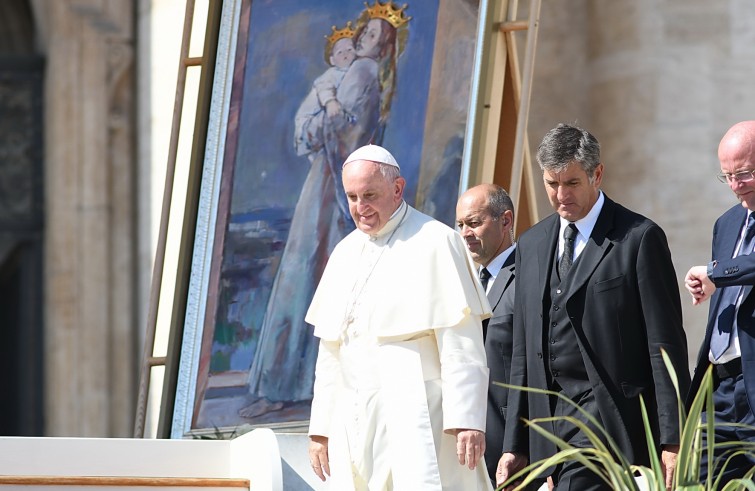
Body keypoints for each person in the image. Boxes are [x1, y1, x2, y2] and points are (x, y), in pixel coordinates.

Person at [496, 124, 690, 490]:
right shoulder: (531, 244)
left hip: (610, 421)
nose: (560, 196)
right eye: (551, 184)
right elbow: (523, 352)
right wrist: (515, 444)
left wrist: (673, 438)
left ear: (596, 174)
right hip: (546, 428)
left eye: (571, 183)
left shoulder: (639, 238)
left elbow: (664, 345)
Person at [240, 2, 409, 418]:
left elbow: (342, 129)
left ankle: (286, 383)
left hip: (332, 182)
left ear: (386, 48)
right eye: (365, 34)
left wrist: (320, 115)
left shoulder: (364, 73)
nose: (366, 41)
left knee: (306, 274)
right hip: (330, 179)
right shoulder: (365, 74)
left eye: (376, 38)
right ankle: (297, 384)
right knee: (312, 274)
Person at [306, 144, 493, 490]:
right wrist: (320, 430)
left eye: (370, 195)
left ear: (397, 189)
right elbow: (331, 352)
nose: (360, 208)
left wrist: (468, 420)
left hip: (416, 409)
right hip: (353, 417)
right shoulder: (344, 252)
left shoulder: (438, 241)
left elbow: (461, 343)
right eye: (352, 197)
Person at [684, 120, 755, 484]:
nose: (734, 186)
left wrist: (716, 273)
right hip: (721, 389)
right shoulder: (726, 223)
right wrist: (711, 286)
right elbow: (730, 277)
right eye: (726, 175)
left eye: (743, 174)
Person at [455, 183, 518, 486]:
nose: (465, 233)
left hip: (512, 450)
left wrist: (522, 446)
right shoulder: (460, 280)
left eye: (474, 223)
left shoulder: (531, 277)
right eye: (460, 225)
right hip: (466, 451)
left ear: (505, 221)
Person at [294, 23, 357, 157]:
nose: (346, 54)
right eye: (340, 52)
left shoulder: (354, 72)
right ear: (332, 60)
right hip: (307, 122)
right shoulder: (333, 73)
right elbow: (323, 86)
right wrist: (330, 102)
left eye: (350, 49)